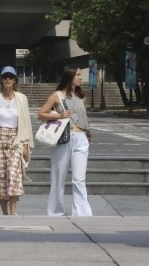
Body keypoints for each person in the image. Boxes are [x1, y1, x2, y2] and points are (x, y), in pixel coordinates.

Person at [39, 65, 93, 217]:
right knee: (58, 176)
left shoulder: (82, 96)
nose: (81, 78)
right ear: (69, 77)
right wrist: (59, 116)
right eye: (78, 75)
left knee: (79, 178)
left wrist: (88, 134)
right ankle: (55, 211)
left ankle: (82, 213)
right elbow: (41, 114)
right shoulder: (57, 96)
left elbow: (85, 116)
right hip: (63, 139)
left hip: (81, 138)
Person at [0, 66, 33, 216]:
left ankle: (13, 212)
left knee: (14, 174)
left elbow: (26, 123)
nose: (7, 79)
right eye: (5, 77)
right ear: (1, 80)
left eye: (10, 77)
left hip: (16, 139)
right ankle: (4, 213)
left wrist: (26, 144)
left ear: (15, 80)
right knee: (0, 176)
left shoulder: (22, 98)